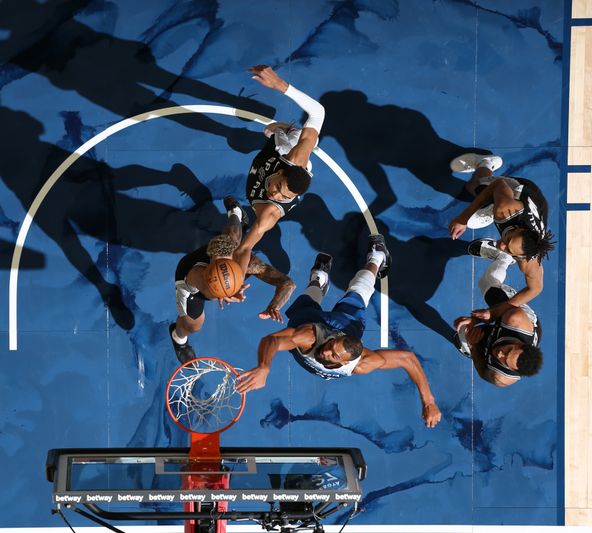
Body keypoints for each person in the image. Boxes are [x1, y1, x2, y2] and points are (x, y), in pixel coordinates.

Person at [236, 235, 442, 428]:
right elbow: (272, 340)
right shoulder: (308, 337)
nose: (326, 352)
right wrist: (264, 367)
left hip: (344, 329)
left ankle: (320, 278)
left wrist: (428, 401)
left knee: (314, 299)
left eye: (333, 354)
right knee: (356, 294)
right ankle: (376, 256)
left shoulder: (362, 363)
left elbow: (408, 359)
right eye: (330, 346)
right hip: (326, 323)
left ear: (345, 362)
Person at [170, 198, 296, 363]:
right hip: (190, 284)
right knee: (194, 326)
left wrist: (275, 306)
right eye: (217, 258)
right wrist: (224, 291)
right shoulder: (197, 276)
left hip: (225, 261)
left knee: (235, 230)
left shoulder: (242, 257)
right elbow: (207, 289)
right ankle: (178, 339)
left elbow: (288, 284)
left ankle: (236, 212)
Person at [232, 65, 325, 272]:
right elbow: (319, 111)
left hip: (261, 180)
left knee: (264, 134)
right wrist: (279, 85)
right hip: (285, 151)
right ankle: (288, 129)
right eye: (278, 188)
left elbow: (245, 248)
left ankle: (281, 130)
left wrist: (236, 279)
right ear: (282, 172)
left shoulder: (270, 213)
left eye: (283, 196)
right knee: (283, 135)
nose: (275, 195)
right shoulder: (295, 159)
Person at [448, 153, 554, 317]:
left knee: (476, 220)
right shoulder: (506, 209)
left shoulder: (529, 260)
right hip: (517, 189)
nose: (501, 245)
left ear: (522, 256)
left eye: (509, 250)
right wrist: (462, 218)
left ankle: (505, 254)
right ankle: (485, 162)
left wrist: (497, 311)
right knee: (474, 186)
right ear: (520, 229)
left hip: (532, 210)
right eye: (508, 239)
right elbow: (497, 185)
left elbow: (536, 288)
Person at [453, 244, 543, 387]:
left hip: (498, 335)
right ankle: (505, 258)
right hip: (511, 316)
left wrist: (475, 347)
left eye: (505, 359)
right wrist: (476, 319)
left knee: (465, 334)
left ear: (513, 369)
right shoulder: (516, 320)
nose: (500, 353)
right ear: (519, 344)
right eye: (508, 351)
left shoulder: (502, 378)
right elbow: (503, 309)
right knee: (486, 283)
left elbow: (483, 372)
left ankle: (470, 344)